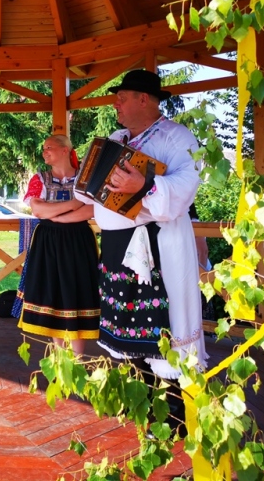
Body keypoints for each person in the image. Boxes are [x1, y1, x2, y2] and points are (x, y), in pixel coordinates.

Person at [76, 69, 206, 432]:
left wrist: (145, 184)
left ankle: (174, 419)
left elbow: (184, 189)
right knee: (127, 328)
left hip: (156, 245)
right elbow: (88, 188)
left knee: (158, 328)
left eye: (123, 96)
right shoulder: (116, 139)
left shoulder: (177, 137)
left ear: (144, 99)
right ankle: (144, 410)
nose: (115, 102)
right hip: (117, 246)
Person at [15, 134, 99, 356]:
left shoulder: (85, 178)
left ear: (64, 150)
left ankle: (78, 359)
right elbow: (38, 210)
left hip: (79, 240)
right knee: (52, 292)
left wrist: (60, 216)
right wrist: (74, 204)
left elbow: (93, 209)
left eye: (49, 147)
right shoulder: (39, 178)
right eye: (43, 148)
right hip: (48, 243)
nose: (44, 152)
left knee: (78, 293)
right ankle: (61, 359)